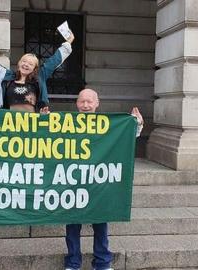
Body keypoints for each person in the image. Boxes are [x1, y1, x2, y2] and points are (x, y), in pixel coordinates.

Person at [64, 88, 144, 270]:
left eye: (89, 101)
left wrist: (134, 125)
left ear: (97, 103)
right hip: (72, 183)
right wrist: (43, 122)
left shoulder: (108, 125)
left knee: (101, 225)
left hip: (99, 185)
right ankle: (73, 263)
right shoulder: (65, 124)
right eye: (82, 101)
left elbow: (124, 139)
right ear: (76, 103)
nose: (85, 105)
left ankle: (102, 263)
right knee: (72, 226)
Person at [0, 30, 75, 113]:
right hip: (9, 124)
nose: (26, 64)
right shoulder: (6, 76)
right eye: (24, 61)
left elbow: (55, 60)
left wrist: (69, 41)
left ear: (35, 69)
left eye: (30, 64)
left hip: (30, 125)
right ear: (19, 64)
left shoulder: (40, 76)